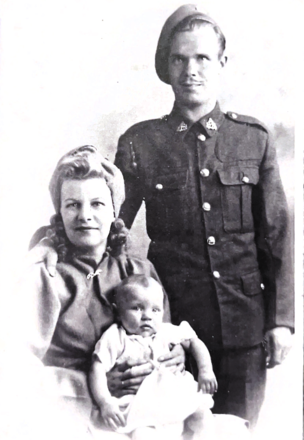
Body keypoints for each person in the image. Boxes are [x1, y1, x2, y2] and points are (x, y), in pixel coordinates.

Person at [113, 5, 294, 427]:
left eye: (202, 58)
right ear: (166, 66)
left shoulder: (253, 139)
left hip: (244, 333)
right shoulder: (142, 144)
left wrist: (281, 321)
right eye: (179, 58)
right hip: (170, 336)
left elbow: (278, 237)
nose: (190, 69)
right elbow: (110, 234)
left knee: (238, 431)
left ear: (221, 63)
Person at [9, 145, 185, 439]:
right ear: (60, 213)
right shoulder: (45, 276)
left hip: (147, 415)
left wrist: (176, 354)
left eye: (97, 204)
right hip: (69, 421)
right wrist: (91, 386)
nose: (84, 215)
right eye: (72, 205)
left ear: (115, 210)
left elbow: (161, 335)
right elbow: (14, 369)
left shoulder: (140, 272)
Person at [89, 274, 217, 440]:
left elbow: (194, 343)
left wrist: (206, 370)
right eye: (137, 308)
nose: (147, 316)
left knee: (203, 415)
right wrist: (105, 402)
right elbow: (97, 367)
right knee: (143, 434)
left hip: (177, 398)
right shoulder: (116, 337)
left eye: (155, 310)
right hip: (140, 407)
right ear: (117, 312)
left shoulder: (166, 330)